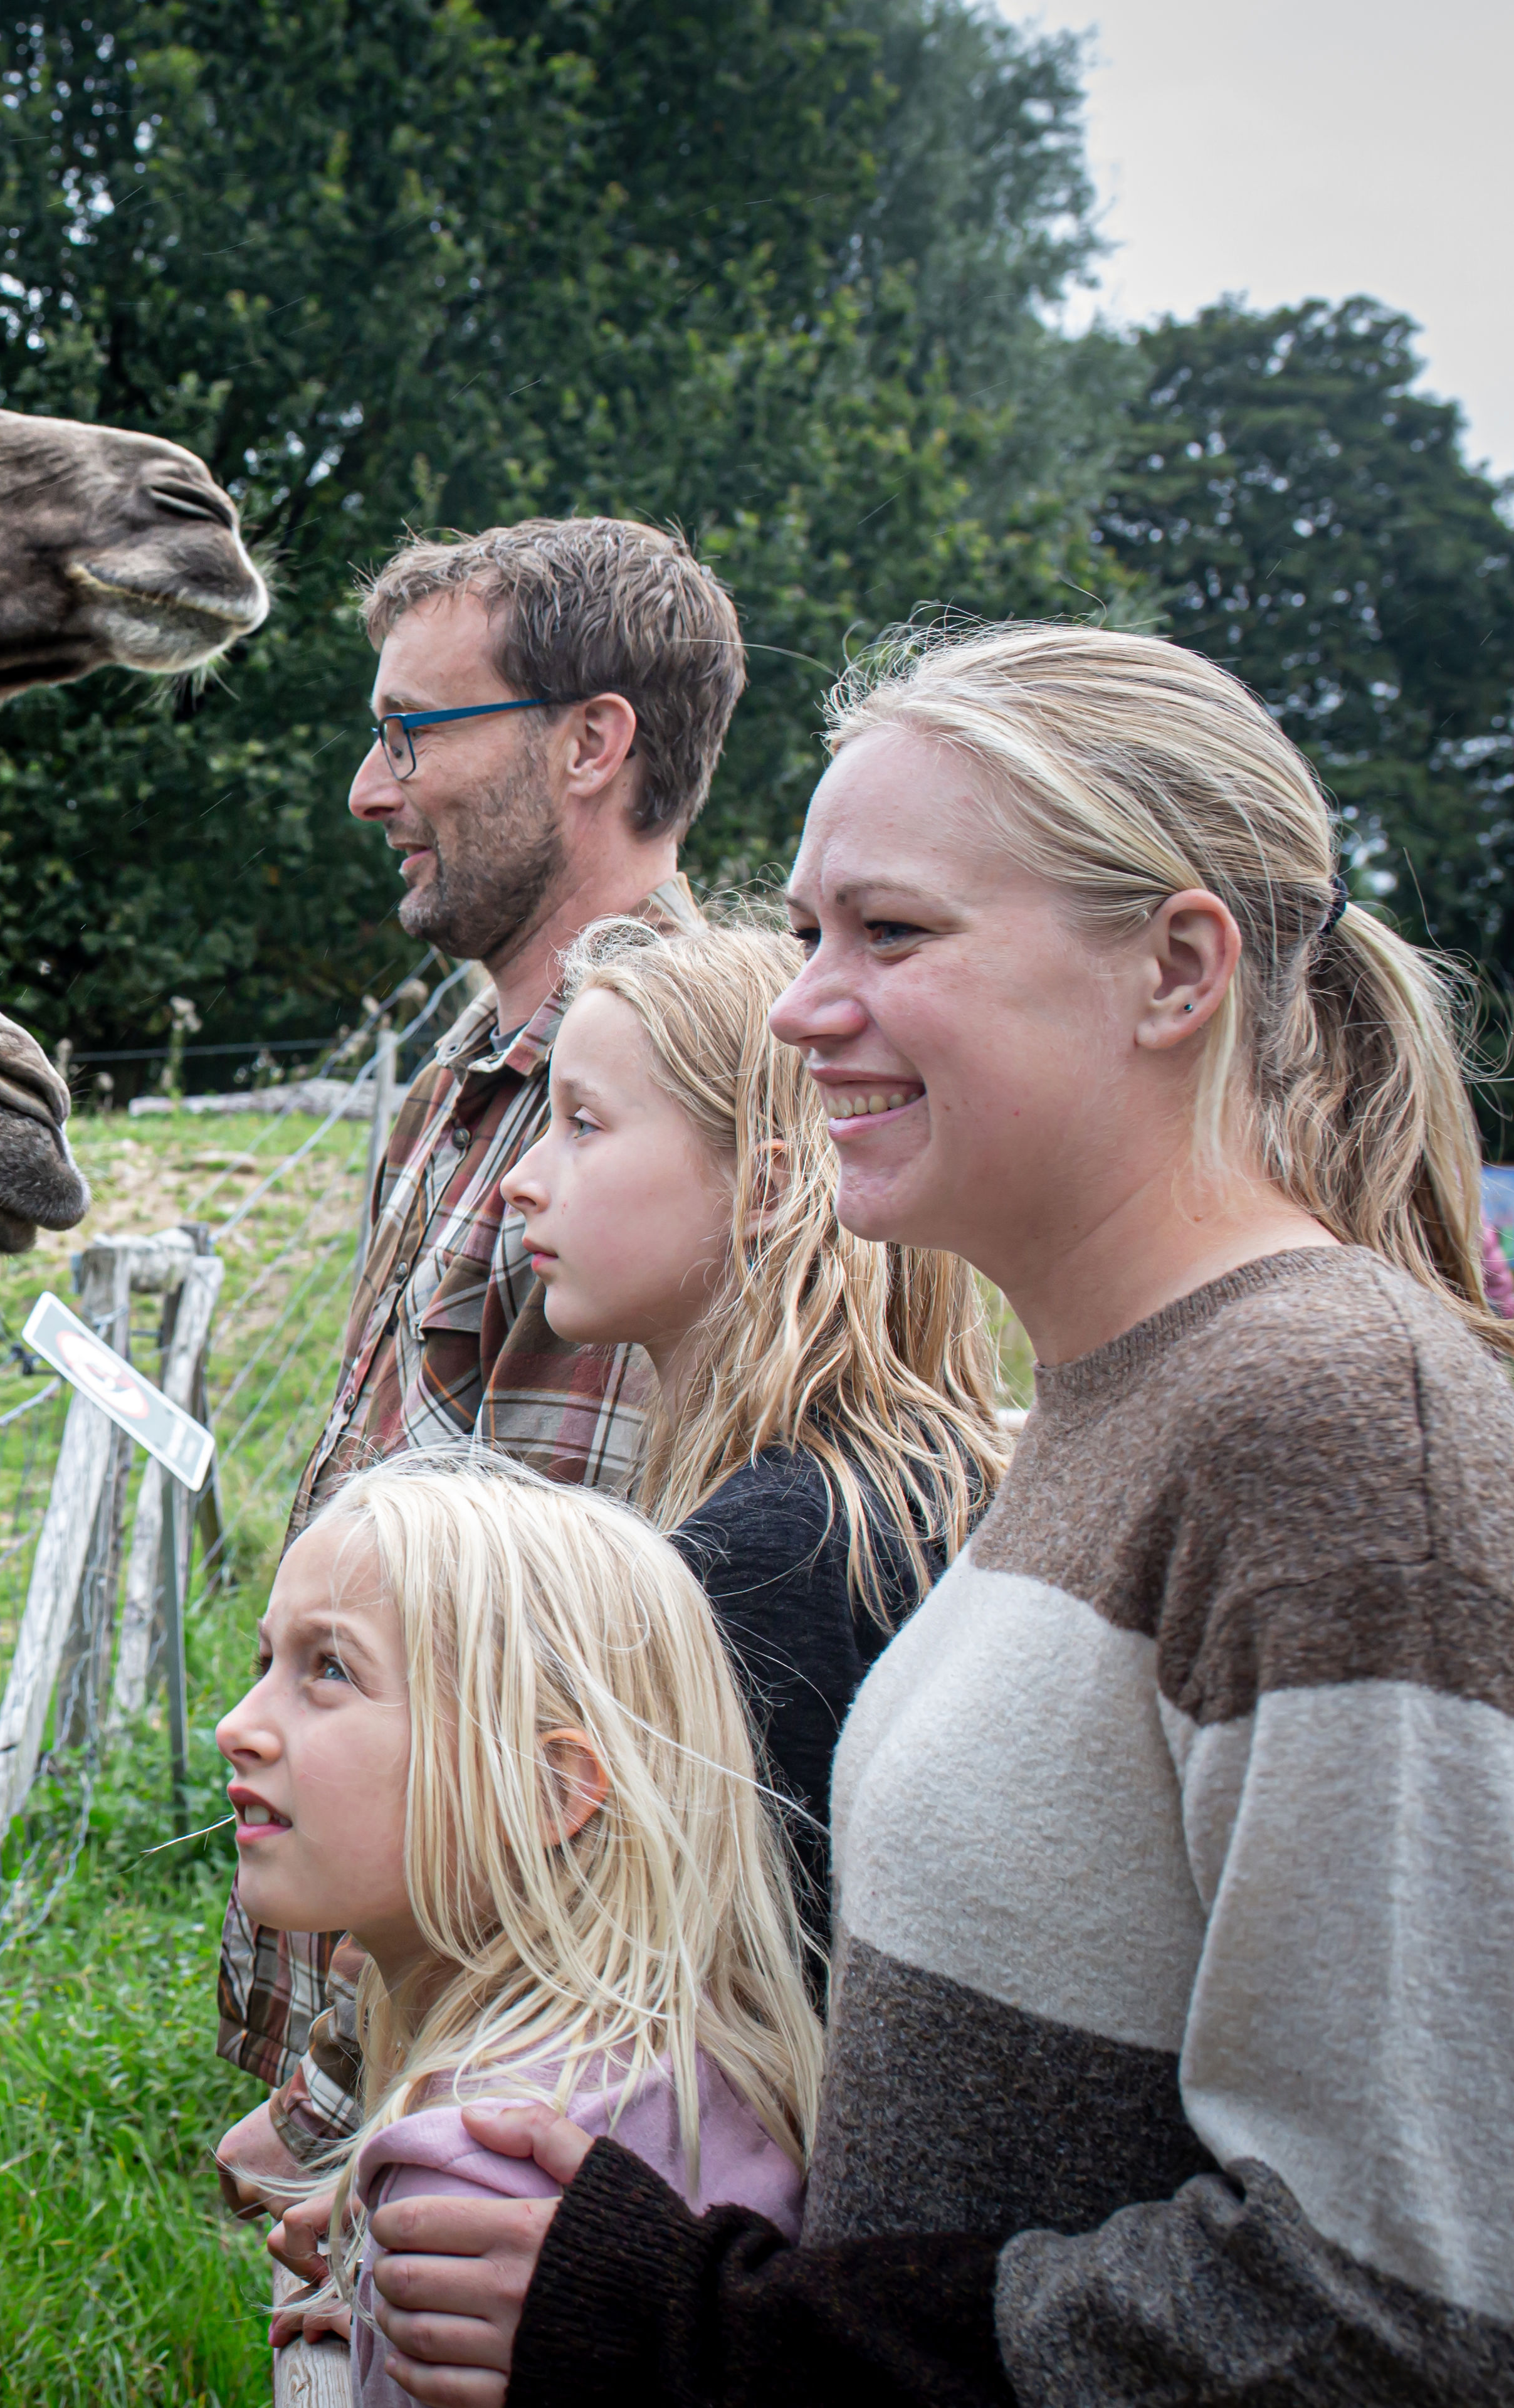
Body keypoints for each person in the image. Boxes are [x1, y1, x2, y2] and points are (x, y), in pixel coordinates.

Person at [353, 621, 1514, 2407]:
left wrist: (689, 2322)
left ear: (1176, 970)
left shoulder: (1331, 1425)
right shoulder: (1110, 1396)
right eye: (811, 931)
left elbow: (1399, 2308)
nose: (806, 1003)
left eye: (890, 933)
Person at [219, 517, 751, 2197]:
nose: (371, 790)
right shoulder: (487, 1056)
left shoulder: (650, 1116)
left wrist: (338, 2113)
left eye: (408, 733)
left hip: (469, 2099)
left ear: (594, 743)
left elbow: (534, 1688)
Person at [213, 1450, 824, 2408]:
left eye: (329, 1669)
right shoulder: (676, 2063)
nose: (238, 1725)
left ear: (550, 1790)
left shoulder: (477, 2187)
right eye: (267, 1662)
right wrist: (379, 2296)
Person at [493, 917, 1007, 1945]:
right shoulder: (916, 1475)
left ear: (766, 1187)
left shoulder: (776, 1552)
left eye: (582, 1125)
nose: (523, 1179)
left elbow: (734, 1977)